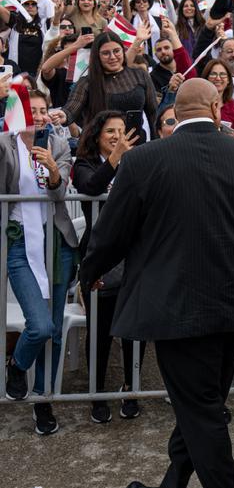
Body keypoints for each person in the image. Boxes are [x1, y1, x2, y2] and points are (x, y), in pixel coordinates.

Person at [78, 79, 234, 488]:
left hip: (177, 311)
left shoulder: (143, 161)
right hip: (232, 307)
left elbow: (111, 232)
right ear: (218, 108)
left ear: (176, 112)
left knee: (201, 414)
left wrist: (88, 273)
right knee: (204, 408)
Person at [0, 90, 78, 436]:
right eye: (32, 110)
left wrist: (52, 171)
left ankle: (43, 399)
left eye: (44, 110)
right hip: (20, 244)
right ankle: (17, 365)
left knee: (56, 332)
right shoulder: (4, 145)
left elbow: (58, 192)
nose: (40, 116)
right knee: (41, 326)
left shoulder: (57, 145)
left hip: (57, 245)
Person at [72, 110, 144, 423]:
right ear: (97, 135)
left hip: (133, 258)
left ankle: (131, 388)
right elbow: (90, 187)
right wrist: (115, 158)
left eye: (121, 130)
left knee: (133, 329)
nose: (117, 135)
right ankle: (97, 394)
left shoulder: (136, 162)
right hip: (100, 260)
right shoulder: (84, 165)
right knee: (100, 333)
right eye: (110, 131)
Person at [60, 32, 158, 142]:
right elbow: (72, 107)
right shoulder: (87, 82)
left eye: (116, 51)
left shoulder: (140, 75)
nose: (112, 57)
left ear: (123, 51)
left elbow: (153, 113)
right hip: (99, 147)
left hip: (136, 145)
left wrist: (156, 143)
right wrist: (64, 115)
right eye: (106, 53)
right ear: (97, 56)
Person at [201, 58, 234, 139]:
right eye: (213, 74)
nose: (218, 78)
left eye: (222, 74)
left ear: (228, 80)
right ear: (206, 78)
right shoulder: (199, 105)